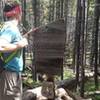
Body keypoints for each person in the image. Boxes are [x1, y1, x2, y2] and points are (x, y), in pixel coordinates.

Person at [0, 1, 28, 100]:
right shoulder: (11, 28)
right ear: (17, 12)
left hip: (7, 74)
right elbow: (1, 46)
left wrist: (19, 40)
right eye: (21, 11)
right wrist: (19, 45)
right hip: (10, 76)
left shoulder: (4, 26)